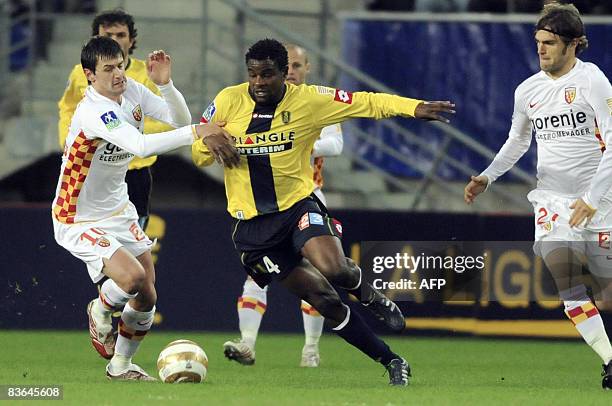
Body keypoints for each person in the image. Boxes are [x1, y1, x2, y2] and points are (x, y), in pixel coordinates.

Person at [193, 38, 455, 386]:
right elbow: (198, 148)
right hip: (253, 229)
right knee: (324, 300)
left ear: (285, 74)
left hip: (298, 206)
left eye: (267, 74)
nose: (258, 82)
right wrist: (206, 138)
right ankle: (392, 360)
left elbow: (366, 102)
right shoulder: (229, 99)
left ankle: (367, 293)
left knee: (334, 268)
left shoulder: (309, 100)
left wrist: (412, 107)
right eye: (253, 74)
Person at [52, 36, 237, 381]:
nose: (118, 73)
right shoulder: (93, 111)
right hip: (77, 215)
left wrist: (166, 86)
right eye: (108, 69)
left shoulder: (133, 91)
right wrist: (197, 132)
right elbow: (139, 144)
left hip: (118, 208)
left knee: (148, 293)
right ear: (89, 75)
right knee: (132, 278)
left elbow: (178, 122)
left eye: (120, 65)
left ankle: (120, 366)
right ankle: (100, 309)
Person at [464, 3, 612, 389]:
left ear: (572, 45)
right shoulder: (527, 90)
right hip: (552, 200)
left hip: (600, 200)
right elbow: (518, 140)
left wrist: (593, 198)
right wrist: (488, 176)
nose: (541, 50)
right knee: (566, 282)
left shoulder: (593, 81)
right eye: (538, 43)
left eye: (549, 43)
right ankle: (611, 361)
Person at [223, 44, 344, 368]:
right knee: (257, 274)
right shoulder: (255, 103)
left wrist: (294, 141)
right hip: (264, 203)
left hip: (307, 196)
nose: (291, 71)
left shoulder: (317, 101)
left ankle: (311, 348)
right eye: (287, 65)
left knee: (319, 272)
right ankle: (247, 344)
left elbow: (336, 144)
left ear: (307, 69)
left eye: (297, 65)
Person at [58, 9, 172, 231]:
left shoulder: (146, 75)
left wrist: (123, 135)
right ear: (96, 39)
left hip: (135, 168)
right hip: (94, 166)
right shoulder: (80, 73)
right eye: (108, 35)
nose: (115, 41)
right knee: (94, 230)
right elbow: (67, 106)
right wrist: (66, 138)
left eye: (120, 35)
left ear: (132, 40)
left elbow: (165, 120)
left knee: (135, 233)